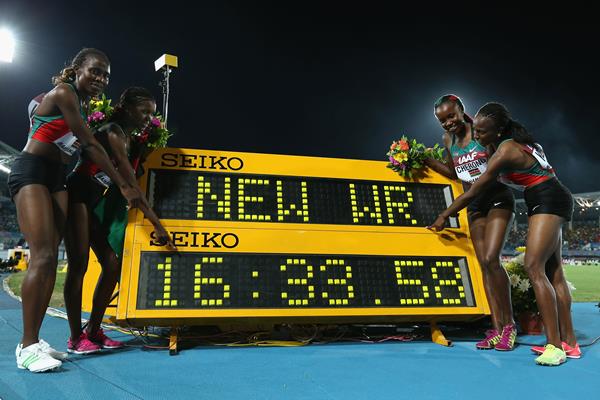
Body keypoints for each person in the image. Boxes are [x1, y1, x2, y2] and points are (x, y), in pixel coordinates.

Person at [8, 48, 141, 373]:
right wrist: (123, 184)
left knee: (50, 259)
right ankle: (26, 346)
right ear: (77, 68)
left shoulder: (84, 104)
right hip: (32, 170)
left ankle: (35, 341)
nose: (101, 79)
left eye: (106, 75)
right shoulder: (65, 93)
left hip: (57, 177)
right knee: (42, 255)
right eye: (95, 71)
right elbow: (91, 145)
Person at [428, 102, 580, 366]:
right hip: (546, 196)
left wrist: (444, 216)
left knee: (533, 267)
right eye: (476, 131)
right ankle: (570, 343)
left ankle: (555, 347)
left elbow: (475, 190)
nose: (477, 136)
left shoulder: (504, 150)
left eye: (481, 132)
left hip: (546, 197)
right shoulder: (514, 142)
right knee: (554, 272)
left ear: (497, 131)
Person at [64, 87, 175, 354]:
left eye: (152, 114)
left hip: (93, 203)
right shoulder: (112, 132)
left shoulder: (129, 139)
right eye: (144, 111)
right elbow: (130, 185)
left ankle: (94, 330)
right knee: (79, 266)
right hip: (77, 196)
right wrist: (158, 226)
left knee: (112, 265)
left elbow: (131, 184)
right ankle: (76, 338)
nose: (148, 118)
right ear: (126, 107)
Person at [424, 95, 516, 351]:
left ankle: (510, 326)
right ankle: (497, 329)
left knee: (491, 259)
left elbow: (498, 168)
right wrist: (428, 161)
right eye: (442, 120)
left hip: (497, 198)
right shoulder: (448, 140)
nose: (448, 123)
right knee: (483, 264)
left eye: (451, 116)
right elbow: (455, 173)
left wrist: (445, 214)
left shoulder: (481, 132)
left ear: (462, 111)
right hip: (474, 206)